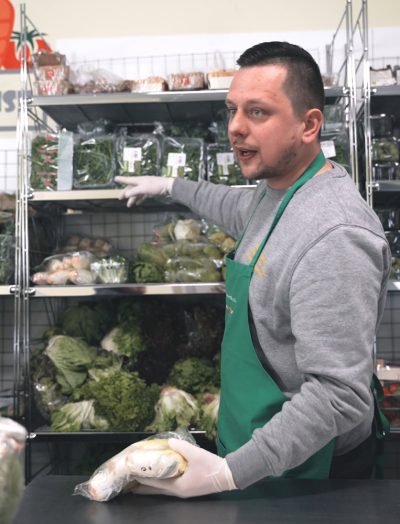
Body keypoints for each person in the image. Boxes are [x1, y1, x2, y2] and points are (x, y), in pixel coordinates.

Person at [115, 41, 391, 498]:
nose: (236, 129)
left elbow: (339, 397)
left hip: (310, 473)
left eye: (258, 113)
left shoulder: (336, 235)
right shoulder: (275, 193)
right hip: (261, 452)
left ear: (309, 125)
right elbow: (229, 203)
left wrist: (229, 473)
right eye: (232, 110)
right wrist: (171, 185)